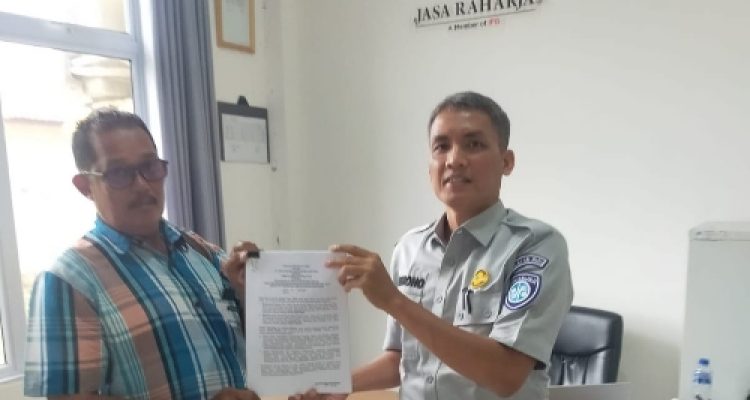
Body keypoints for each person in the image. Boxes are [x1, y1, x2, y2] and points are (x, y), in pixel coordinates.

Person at [297, 91, 574, 400]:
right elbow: (401, 359)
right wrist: (337, 384)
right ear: (429, 167)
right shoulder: (410, 248)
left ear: (506, 162)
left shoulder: (535, 245)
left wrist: (393, 300)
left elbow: (506, 373)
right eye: (441, 147)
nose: (454, 160)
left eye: (474, 144)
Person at [24, 109, 259, 400]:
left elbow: (252, 343)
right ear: (85, 187)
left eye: (150, 167)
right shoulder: (68, 280)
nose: (142, 184)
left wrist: (253, 292)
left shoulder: (200, 251)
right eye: (119, 173)